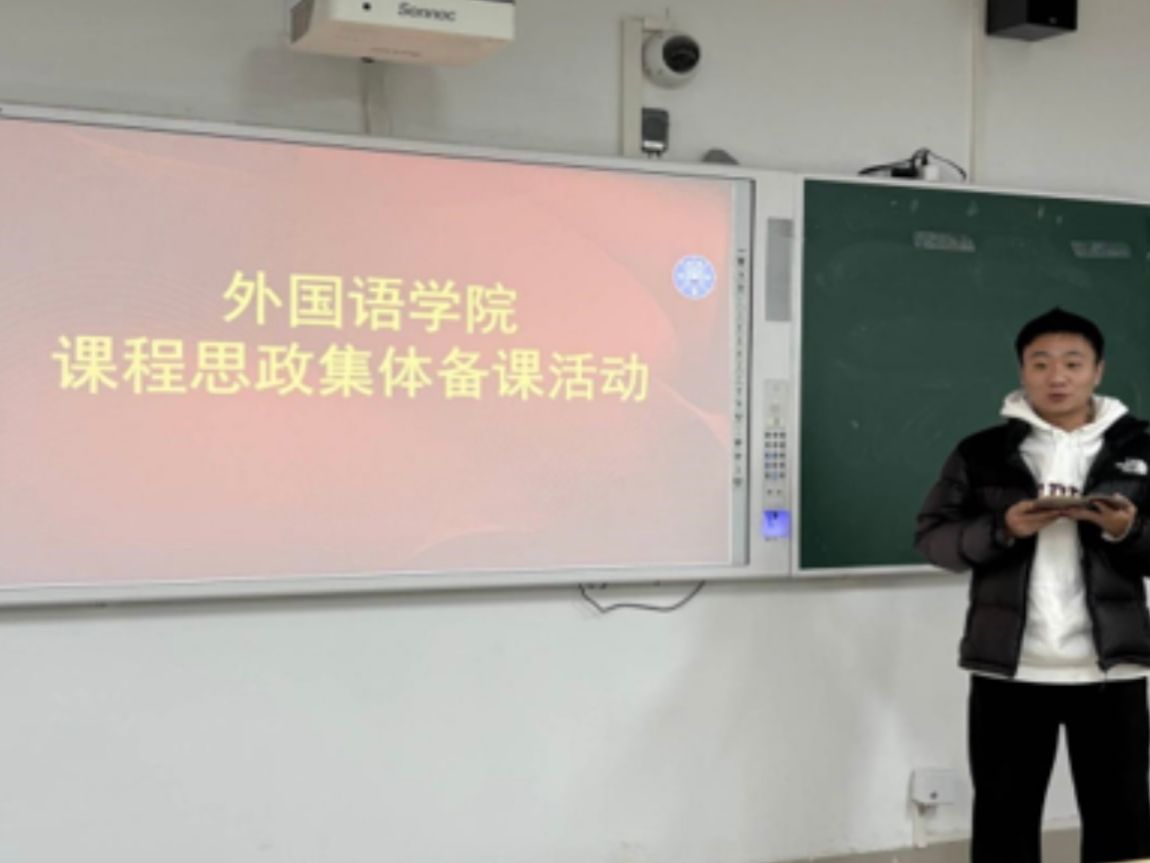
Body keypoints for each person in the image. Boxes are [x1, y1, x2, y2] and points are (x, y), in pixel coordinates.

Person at [915, 308, 1150, 863]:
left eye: (1073, 363)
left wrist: (1127, 530)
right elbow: (934, 539)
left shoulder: (1141, 447)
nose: (1056, 376)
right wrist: (1003, 529)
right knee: (1004, 822)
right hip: (1011, 668)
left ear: (1098, 371)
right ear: (1022, 372)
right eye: (1040, 363)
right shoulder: (981, 453)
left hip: (1111, 669)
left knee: (1122, 821)